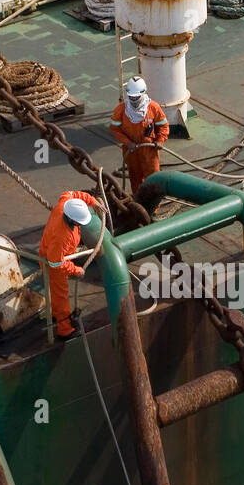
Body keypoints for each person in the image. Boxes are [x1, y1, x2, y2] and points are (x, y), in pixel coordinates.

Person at [39, 191, 102, 341]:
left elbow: (70, 193)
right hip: (53, 264)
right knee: (61, 296)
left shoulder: (64, 204)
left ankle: (56, 314)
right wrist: (75, 270)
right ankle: (65, 329)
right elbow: (55, 262)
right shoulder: (62, 236)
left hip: (56, 254)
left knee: (55, 294)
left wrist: (92, 200)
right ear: (73, 220)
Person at [109, 76, 169, 194]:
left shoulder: (153, 108)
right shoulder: (121, 110)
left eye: (136, 97)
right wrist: (128, 142)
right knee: (135, 178)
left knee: (153, 179)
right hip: (131, 151)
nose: (133, 99)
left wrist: (160, 140)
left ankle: (153, 208)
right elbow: (114, 129)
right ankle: (139, 201)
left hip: (149, 150)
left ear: (143, 93)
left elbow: (163, 126)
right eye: (131, 97)